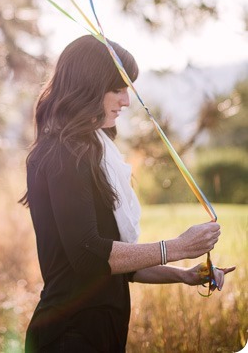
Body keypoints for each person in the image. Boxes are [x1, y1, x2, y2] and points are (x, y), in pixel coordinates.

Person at [22, 35, 235, 353]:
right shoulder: (64, 154)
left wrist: (185, 276)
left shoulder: (92, 150)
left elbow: (116, 259)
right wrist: (178, 247)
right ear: (88, 85)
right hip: (69, 334)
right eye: (117, 88)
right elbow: (89, 256)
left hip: (101, 329)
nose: (126, 101)